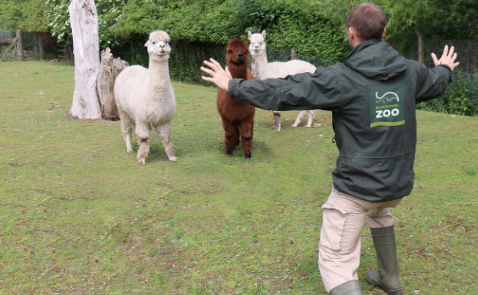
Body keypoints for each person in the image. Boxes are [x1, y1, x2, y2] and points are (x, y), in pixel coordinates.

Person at [200, 2, 459, 295]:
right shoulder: (411, 72)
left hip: (358, 188)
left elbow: (285, 91)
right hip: (396, 184)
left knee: (335, 260)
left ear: (351, 33)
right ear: (384, 32)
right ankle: (390, 279)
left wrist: (233, 86)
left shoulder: (341, 78)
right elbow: (435, 81)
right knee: (379, 211)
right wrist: (445, 68)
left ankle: (374, 277)